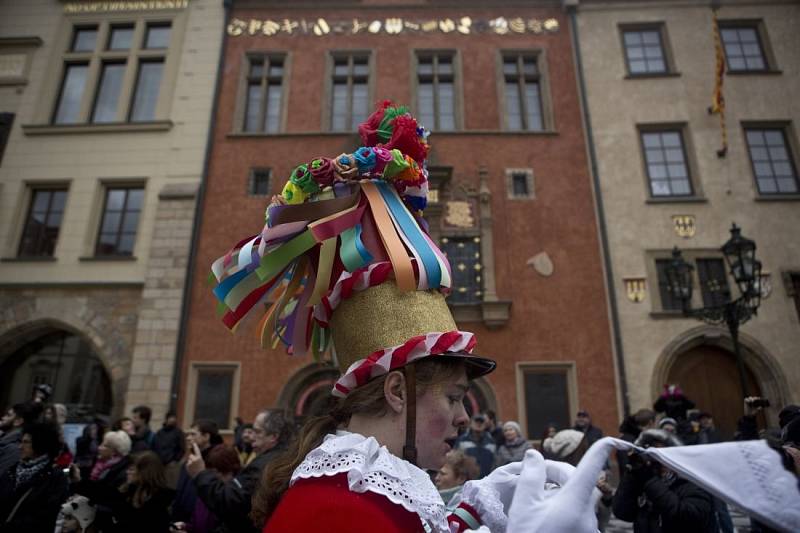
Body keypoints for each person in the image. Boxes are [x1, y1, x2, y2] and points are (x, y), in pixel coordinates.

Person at [210, 101, 508, 532]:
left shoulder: (360, 495)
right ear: (396, 391)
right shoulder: (340, 514)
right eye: (454, 396)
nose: (464, 418)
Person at [189, 410, 293, 533]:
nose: (251, 437)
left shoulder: (263, 466)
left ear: (273, 437)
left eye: (257, 432)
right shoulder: (284, 458)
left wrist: (201, 474)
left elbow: (230, 502)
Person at [612, 429, 716, 532]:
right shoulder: (646, 480)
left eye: (662, 453)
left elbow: (687, 517)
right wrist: (633, 473)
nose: (656, 459)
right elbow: (623, 512)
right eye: (652, 453)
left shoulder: (693, 481)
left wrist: (649, 480)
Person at [0, 421, 70, 532]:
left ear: (40, 443)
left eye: (26, 442)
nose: (20, 447)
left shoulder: (54, 477)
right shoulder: (12, 470)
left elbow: (47, 515)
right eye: (21, 442)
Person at [172, 419, 223, 527]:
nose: (188, 438)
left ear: (206, 436)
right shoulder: (190, 459)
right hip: (182, 520)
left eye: (193, 434)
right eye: (188, 434)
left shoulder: (216, 461)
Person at [108, 451, 175, 533]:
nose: (127, 472)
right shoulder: (129, 489)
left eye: (132, 469)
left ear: (144, 473)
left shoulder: (157, 501)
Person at [0, 401, 43, 476]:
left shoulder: (14, 448)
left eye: (8, 415)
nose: (3, 418)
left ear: (18, 421)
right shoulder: (5, 441)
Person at [455, 413, 497, 477]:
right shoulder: (462, 440)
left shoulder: (491, 441)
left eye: (481, 422)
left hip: (487, 479)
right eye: (476, 422)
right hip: (467, 479)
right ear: (470, 424)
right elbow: (456, 460)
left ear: (485, 425)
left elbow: (495, 462)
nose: (479, 424)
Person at [617, 408, 656, 475]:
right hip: (634, 481)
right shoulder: (636, 440)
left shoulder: (627, 438)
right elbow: (626, 466)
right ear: (651, 422)